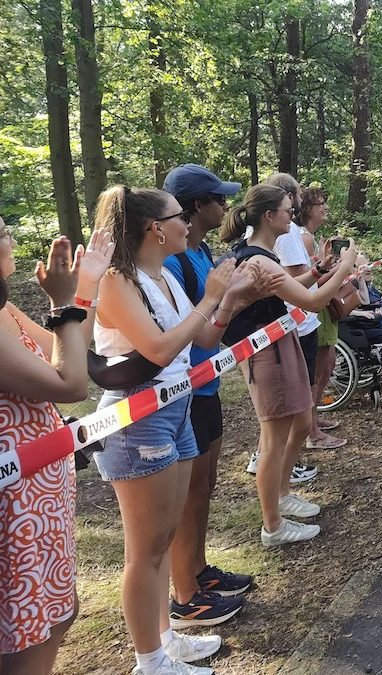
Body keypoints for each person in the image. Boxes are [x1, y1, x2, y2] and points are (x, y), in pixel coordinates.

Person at [92, 185, 260, 675]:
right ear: (155, 229)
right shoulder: (116, 281)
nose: (188, 223)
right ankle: (149, 662)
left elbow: (203, 336)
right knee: (144, 550)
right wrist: (211, 295)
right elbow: (160, 351)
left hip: (178, 406)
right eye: (179, 216)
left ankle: (166, 640)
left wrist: (228, 300)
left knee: (164, 538)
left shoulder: (162, 273)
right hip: (138, 419)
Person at [1, 223, 113, 675]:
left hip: (39, 495)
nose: (8, 237)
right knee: (28, 635)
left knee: (58, 617)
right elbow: (70, 385)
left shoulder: (5, 307)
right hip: (15, 507)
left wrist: (83, 291)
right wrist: (63, 303)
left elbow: (67, 351)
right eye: (0, 231)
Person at [220, 183, 357, 548]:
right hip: (267, 354)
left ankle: (281, 496)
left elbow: (286, 290)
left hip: (281, 344)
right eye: (286, 210)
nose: (292, 215)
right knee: (273, 440)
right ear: (269, 216)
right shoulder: (258, 259)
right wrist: (344, 268)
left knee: (298, 423)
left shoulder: (262, 256)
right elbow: (311, 304)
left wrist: (320, 269)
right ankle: (273, 526)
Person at [162, 164, 256, 631]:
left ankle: (199, 571)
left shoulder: (200, 253)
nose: (226, 207)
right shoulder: (172, 263)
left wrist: (236, 294)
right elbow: (193, 336)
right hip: (185, 390)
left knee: (203, 487)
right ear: (197, 206)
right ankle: (185, 597)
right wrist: (228, 297)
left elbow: (214, 323)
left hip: (208, 384)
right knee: (186, 494)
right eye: (218, 199)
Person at [295, 185, 347, 449]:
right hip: (314, 310)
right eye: (320, 204)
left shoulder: (309, 238)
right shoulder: (302, 238)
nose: (325, 207)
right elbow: (305, 281)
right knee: (319, 370)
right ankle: (311, 430)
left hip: (319, 306)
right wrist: (343, 269)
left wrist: (329, 264)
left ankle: (313, 418)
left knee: (325, 366)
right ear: (306, 209)